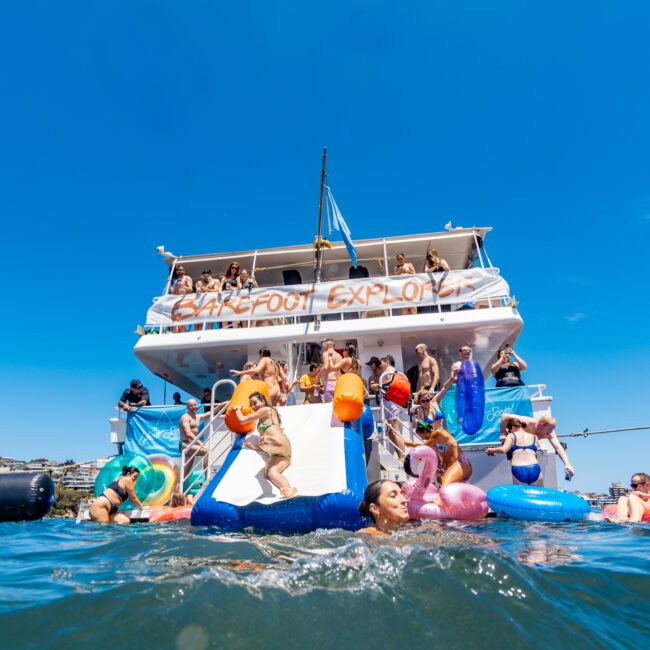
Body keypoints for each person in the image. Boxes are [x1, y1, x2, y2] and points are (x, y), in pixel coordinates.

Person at [232, 392, 298, 498]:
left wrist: (237, 409)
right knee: (270, 472)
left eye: (255, 403)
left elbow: (242, 420)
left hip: (278, 441)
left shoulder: (266, 410)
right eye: (251, 405)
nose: (253, 407)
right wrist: (254, 447)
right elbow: (264, 448)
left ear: (263, 401)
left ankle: (267, 441)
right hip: (280, 454)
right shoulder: (263, 418)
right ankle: (287, 489)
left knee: (264, 440)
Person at [499, 414, 576, 479]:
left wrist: (567, 464)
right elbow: (504, 416)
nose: (551, 432)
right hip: (513, 441)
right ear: (541, 425)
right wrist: (502, 434)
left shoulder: (549, 433)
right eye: (550, 429)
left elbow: (558, 447)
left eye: (553, 429)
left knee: (532, 465)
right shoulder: (527, 422)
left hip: (527, 445)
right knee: (519, 466)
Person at [406, 420, 472, 486]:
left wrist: (411, 444)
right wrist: (441, 471)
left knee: (445, 486)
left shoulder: (437, 433)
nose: (422, 438)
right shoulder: (437, 443)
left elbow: (424, 446)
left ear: (425, 432)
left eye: (421, 436)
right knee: (445, 484)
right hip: (460, 465)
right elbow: (444, 459)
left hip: (460, 463)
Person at [486, 417, 543, 485]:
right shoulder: (534, 437)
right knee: (537, 494)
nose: (509, 432)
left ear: (512, 427)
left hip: (518, 468)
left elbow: (504, 449)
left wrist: (491, 450)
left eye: (509, 430)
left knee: (520, 495)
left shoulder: (511, 436)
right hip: (534, 467)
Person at [379, 355, 407, 462]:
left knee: (395, 430)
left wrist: (378, 385)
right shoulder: (389, 372)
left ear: (387, 361)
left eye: (381, 362)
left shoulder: (390, 371)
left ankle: (402, 457)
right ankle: (400, 455)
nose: (380, 365)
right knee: (391, 432)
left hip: (392, 404)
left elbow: (391, 385)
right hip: (389, 404)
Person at [179, 399, 211, 483]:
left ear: (197, 405)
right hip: (185, 445)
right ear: (187, 407)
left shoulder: (198, 417)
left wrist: (222, 405)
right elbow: (188, 433)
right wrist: (200, 443)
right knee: (205, 451)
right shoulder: (185, 417)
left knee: (185, 474)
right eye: (191, 405)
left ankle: (175, 492)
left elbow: (210, 413)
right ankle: (207, 479)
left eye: (195, 405)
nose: (193, 407)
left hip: (191, 445)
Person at [171, 265, 194, 332]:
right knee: (175, 322)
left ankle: (183, 335)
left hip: (184, 300)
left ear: (184, 271)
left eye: (180, 269)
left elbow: (190, 289)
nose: (178, 271)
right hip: (176, 301)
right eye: (177, 270)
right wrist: (169, 284)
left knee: (182, 321)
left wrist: (183, 286)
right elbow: (173, 292)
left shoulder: (187, 278)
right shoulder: (176, 281)